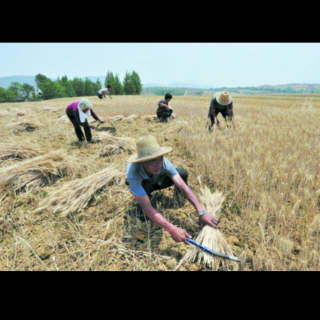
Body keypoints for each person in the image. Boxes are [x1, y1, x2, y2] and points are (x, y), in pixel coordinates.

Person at [125, 135, 219, 243]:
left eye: (160, 158)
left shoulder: (164, 163)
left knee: (182, 173)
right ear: (142, 162)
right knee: (144, 207)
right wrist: (171, 228)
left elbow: (184, 187)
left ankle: (176, 195)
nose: (159, 164)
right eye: (153, 161)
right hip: (145, 184)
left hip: (158, 180)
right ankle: (145, 196)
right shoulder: (133, 174)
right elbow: (147, 207)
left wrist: (202, 211)